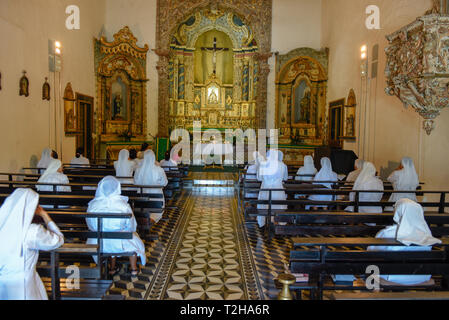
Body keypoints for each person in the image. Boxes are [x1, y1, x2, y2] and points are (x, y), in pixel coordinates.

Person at [0, 189, 64, 299]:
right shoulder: (32, 232)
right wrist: (44, 215)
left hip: (3, 284)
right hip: (24, 284)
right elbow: (57, 240)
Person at [368, 199, 441, 285]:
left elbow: (372, 252)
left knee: (371, 267)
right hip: (422, 277)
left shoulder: (387, 233)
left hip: (391, 279)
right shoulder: (427, 234)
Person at [85, 176, 146, 276]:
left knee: (110, 239)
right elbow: (131, 226)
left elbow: (90, 225)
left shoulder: (93, 204)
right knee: (133, 240)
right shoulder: (123, 205)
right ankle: (134, 269)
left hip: (98, 242)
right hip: (120, 241)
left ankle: (112, 268)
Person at [256, 149, 288, 228]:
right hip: (278, 189)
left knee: (265, 206)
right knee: (277, 206)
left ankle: (265, 223)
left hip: (265, 189)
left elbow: (259, 178)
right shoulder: (283, 165)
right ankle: (276, 223)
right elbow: (286, 178)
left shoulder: (263, 164)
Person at [134, 150, 168, 224]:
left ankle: (144, 219)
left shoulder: (138, 169)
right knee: (156, 211)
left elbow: (135, 183)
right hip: (156, 200)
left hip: (141, 199)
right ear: (154, 158)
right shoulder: (159, 170)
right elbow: (165, 183)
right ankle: (150, 220)